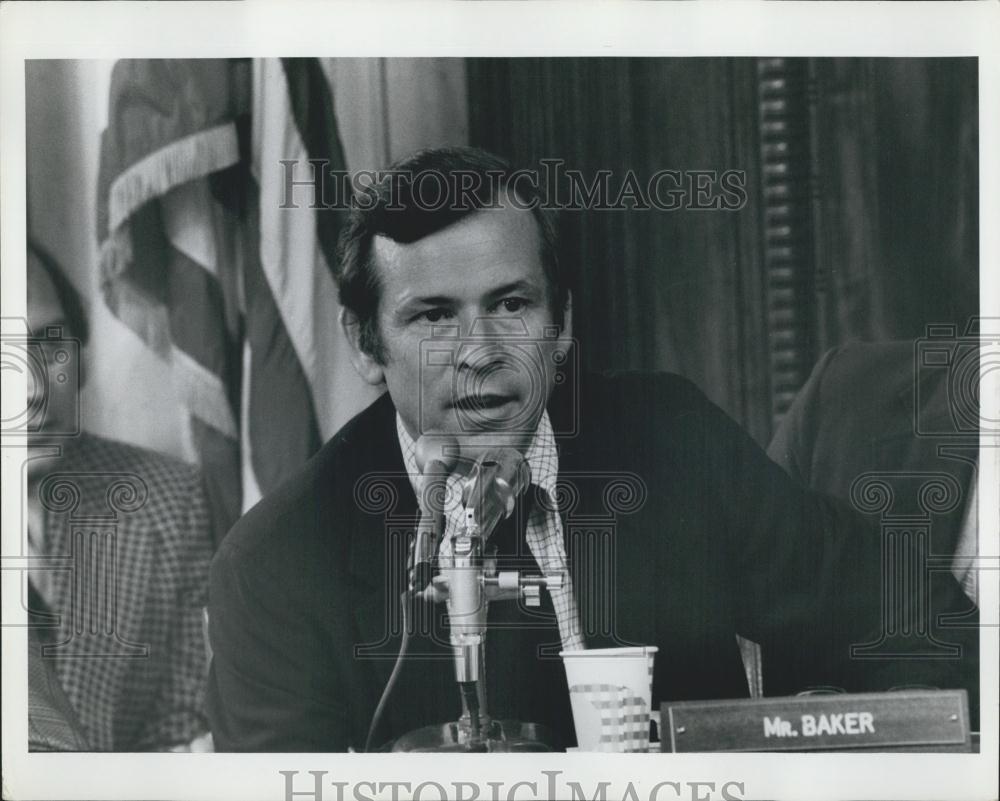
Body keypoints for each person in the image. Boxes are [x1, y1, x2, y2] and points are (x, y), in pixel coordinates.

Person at [206, 147, 978, 752]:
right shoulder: (278, 563)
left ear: (563, 322)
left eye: (512, 304)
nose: (479, 352)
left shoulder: (671, 439)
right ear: (365, 343)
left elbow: (922, 623)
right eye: (434, 317)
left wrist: (838, 738)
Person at [25, 242, 214, 751]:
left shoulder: (166, 503)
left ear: (81, 360)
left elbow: (183, 731)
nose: (32, 389)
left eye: (49, 343)